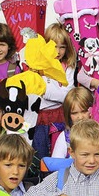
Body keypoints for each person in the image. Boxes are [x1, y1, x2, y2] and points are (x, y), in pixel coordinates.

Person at [32, 23, 78, 159]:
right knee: (40, 153)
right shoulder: (37, 67)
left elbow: (67, 95)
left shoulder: (68, 67)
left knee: (58, 152)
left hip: (60, 116)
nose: (57, 51)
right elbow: (34, 94)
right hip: (39, 116)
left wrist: (45, 90)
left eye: (62, 47)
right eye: (53, 46)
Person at [52, 87, 99, 167]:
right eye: (74, 113)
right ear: (68, 115)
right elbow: (55, 166)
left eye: (84, 111)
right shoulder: (65, 137)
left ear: (93, 109)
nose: (80, 117)